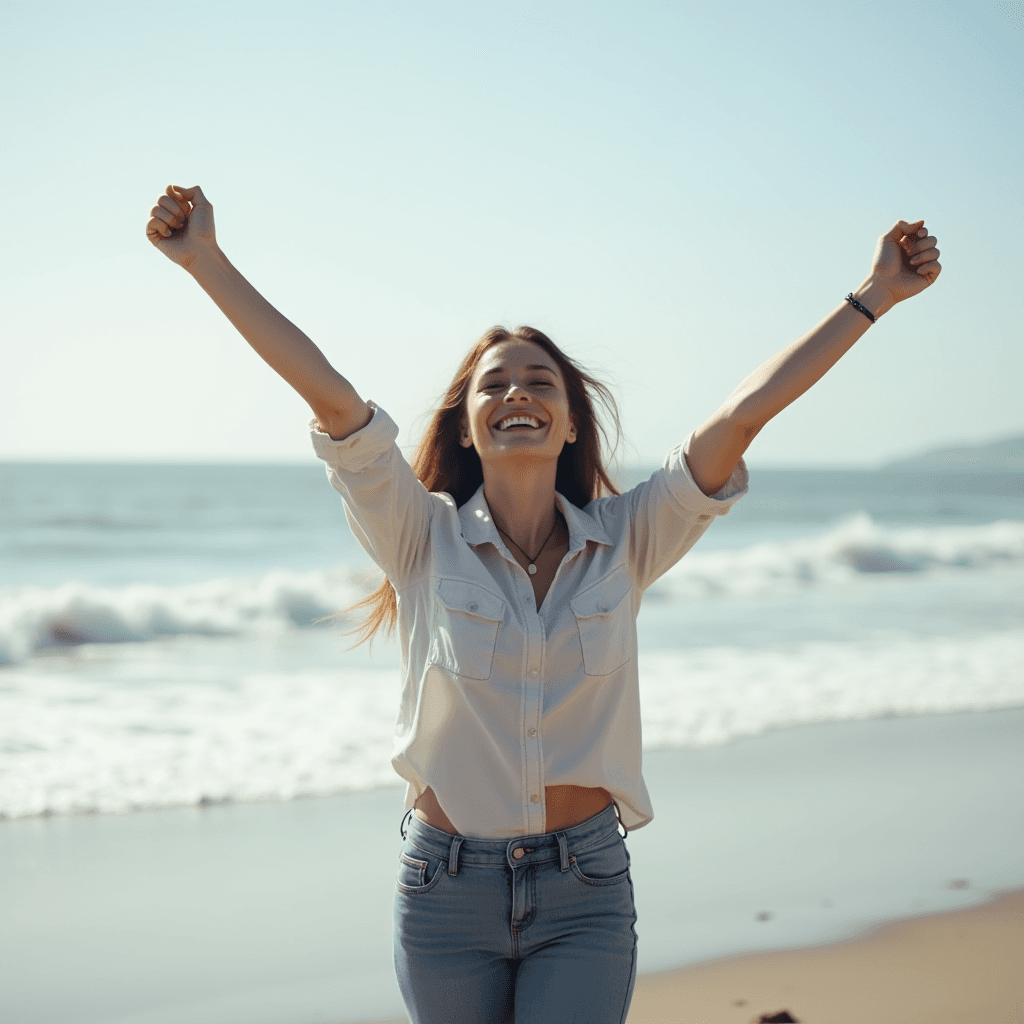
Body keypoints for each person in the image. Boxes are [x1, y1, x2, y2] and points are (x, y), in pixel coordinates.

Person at [146, 185, 941, 1024]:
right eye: (494, 385)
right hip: (446, 893)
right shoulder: (418, 535)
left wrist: (876, 295)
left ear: (568, 424)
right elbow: (336, 403)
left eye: (540, 382)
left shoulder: (630, 538)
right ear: (466, 427)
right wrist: (206, 261)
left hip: (585, 889)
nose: (517, 392)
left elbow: (741, 418)